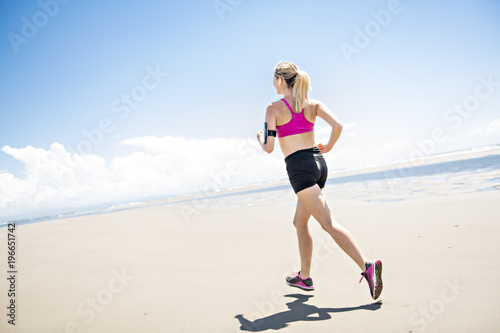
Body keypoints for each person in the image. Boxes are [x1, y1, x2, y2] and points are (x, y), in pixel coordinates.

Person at [256, 61, 383, 300]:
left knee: (328, 223)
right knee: (299, 222)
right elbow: (338, 125)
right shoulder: (312, 104)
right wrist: (330, 147)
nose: (272, 83)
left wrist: (260, 137)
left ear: (281, 80)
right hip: (318, 163)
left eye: (274, 79)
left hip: (300, 169)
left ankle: (367, 266)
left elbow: (269, 148)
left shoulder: (273, 108)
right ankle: (304, 277)